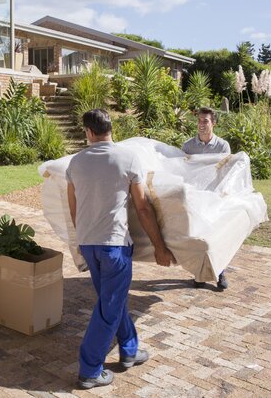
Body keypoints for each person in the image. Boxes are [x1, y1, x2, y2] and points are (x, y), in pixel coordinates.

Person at [66, 109, 176, 390]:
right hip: (114, 245)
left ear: (89, 132)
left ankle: (129, 350)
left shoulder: (75, 163)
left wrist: (80, 241)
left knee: (112, 301)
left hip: (89, 243)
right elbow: (142, 207)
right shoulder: (128, 158)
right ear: (110, 129)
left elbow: (73, 208)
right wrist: (160, 247)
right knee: (109, 308)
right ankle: (90, 369)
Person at [182, 107, 231, 290]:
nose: (202, 124)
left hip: (213, 198)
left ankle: (220, 273)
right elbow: (183, 171)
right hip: (194, 198)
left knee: (215, 236)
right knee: (198, 238)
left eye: (206, 121)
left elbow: (225, 172)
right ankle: (199, 274)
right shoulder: (188, 146)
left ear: (213, 123)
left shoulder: (222, 146)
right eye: (200, 120)